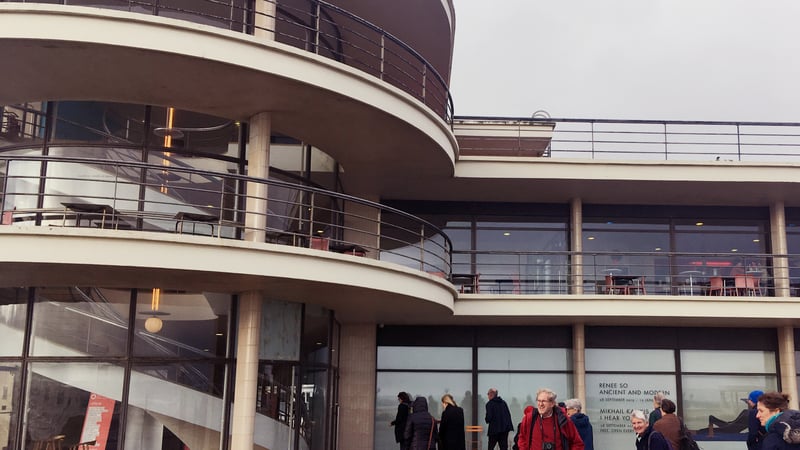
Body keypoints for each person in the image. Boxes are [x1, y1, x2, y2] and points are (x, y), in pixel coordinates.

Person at [517, 388, 585, 450]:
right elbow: (522, 439)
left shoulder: (563, 419)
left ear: (552, 403)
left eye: (544, 401)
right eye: (538, 401)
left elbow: (577, 443)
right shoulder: (529, 418)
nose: (540, 404)